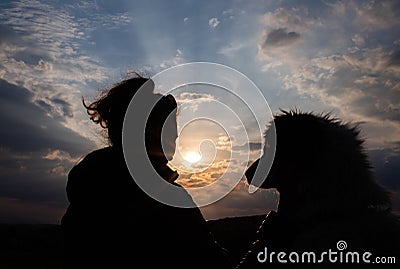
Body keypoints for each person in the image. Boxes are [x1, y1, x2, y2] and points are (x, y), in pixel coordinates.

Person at [61, 73, 233, 268]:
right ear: (148, 132)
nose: (176, 136)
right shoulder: (167, 198)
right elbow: (211, 262)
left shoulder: (88, 188)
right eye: (169, 128)